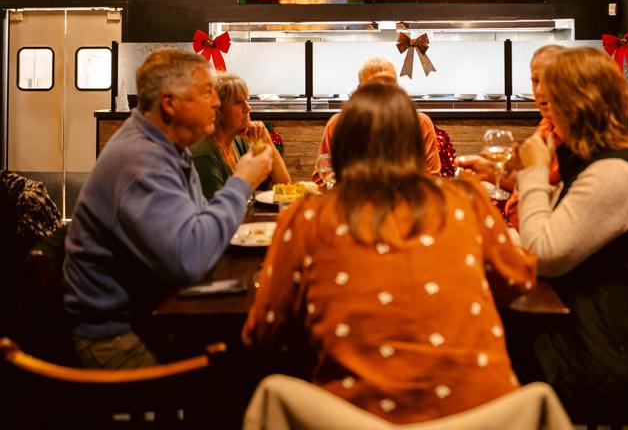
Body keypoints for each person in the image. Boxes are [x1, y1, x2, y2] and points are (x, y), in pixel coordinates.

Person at [242, 83, 537, 424]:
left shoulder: (307, 216)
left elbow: (265, 331)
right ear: (416, 144)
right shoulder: (465, 199)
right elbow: (517, 278)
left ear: (341, 147)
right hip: (484, 417)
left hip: (348, 418)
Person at [63, 49, 274, 369]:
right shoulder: (141, 160)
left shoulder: (169, 149)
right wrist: (241, 182)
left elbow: (197, 226)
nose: (216, 103)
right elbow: (190, 259)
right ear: (169, 104)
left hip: (154, 314)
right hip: (117, 337)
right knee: (248, 369)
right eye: (206, 92)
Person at [513, 47, 628, 419]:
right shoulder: (598, 160)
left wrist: (533, 171)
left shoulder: (615, 173)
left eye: (553, 101)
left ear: (578, 106)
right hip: (596, 320)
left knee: (485, 347)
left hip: (612, 346)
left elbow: (543, 255)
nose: (546, 110)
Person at [456, 45, 565, 226]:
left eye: (550, 80)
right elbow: (531, 183)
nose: (539, 91)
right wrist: (489, 172)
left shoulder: (576, 139)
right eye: (535, 81)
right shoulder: (547, 123)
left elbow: (548, 195)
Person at [314, 57, 441, 181]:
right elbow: (321, 179)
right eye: (373, 87)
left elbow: (432, 178)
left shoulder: (419, 123)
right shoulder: (338, 123)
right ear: (359, 90)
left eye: (388, 85)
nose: (381, 93)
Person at [191, 72, 291, 200]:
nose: (248, 107)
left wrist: (267, 140)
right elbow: (221, 210)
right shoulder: (204, 156)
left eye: (246, 100)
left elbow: (284, 186)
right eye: (238, 102)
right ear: (217, 110)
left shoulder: (238, 141)